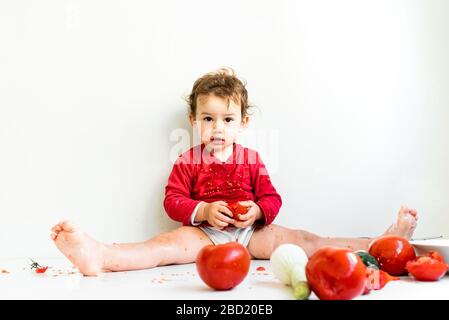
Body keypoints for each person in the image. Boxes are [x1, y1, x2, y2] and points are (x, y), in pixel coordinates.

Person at [50, 68, 418, 276]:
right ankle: (100, 255)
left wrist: (260, 211)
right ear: (194, 121)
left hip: (250, 233)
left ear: (242, 122)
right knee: (162, 248)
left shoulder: (252, 159)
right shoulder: (188, 161)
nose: (217, 128)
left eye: (226, 119)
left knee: (306, 240)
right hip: (204, 236)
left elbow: (272, 198)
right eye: (208, 119)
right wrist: (203, 211)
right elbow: (173, 201)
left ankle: (380, 245)